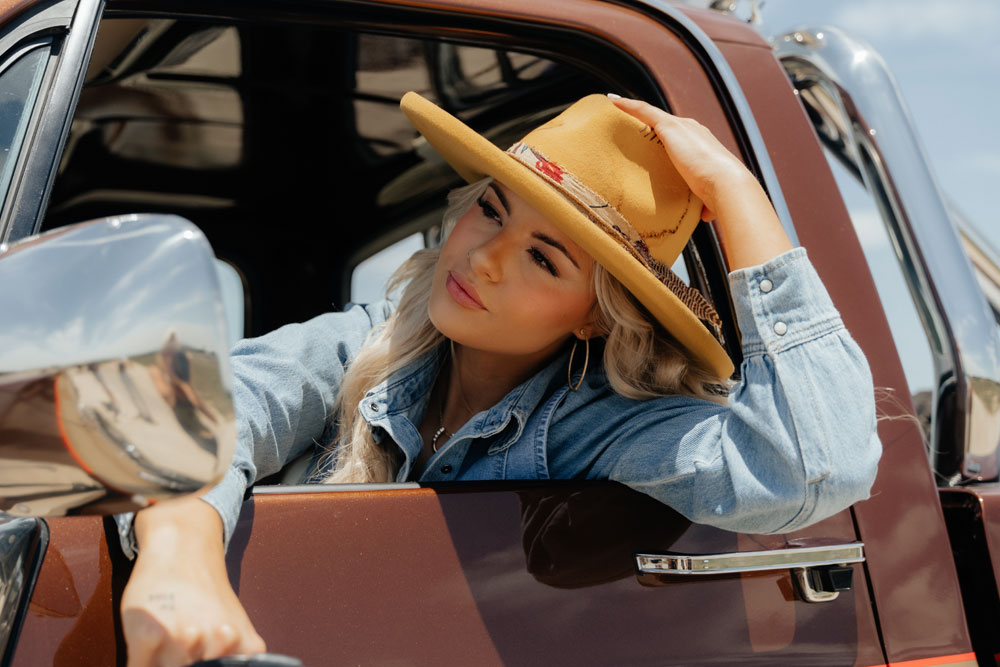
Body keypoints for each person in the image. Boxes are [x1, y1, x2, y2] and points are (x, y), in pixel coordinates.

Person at [119, 93, 882, 666]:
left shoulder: (596, 425)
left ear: (593, 317)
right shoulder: (365, 341)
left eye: (543, 257)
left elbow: (814, 463)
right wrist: (179, 548)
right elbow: (204, 402)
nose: (484, 256)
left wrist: (737, 192)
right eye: (491, 209)